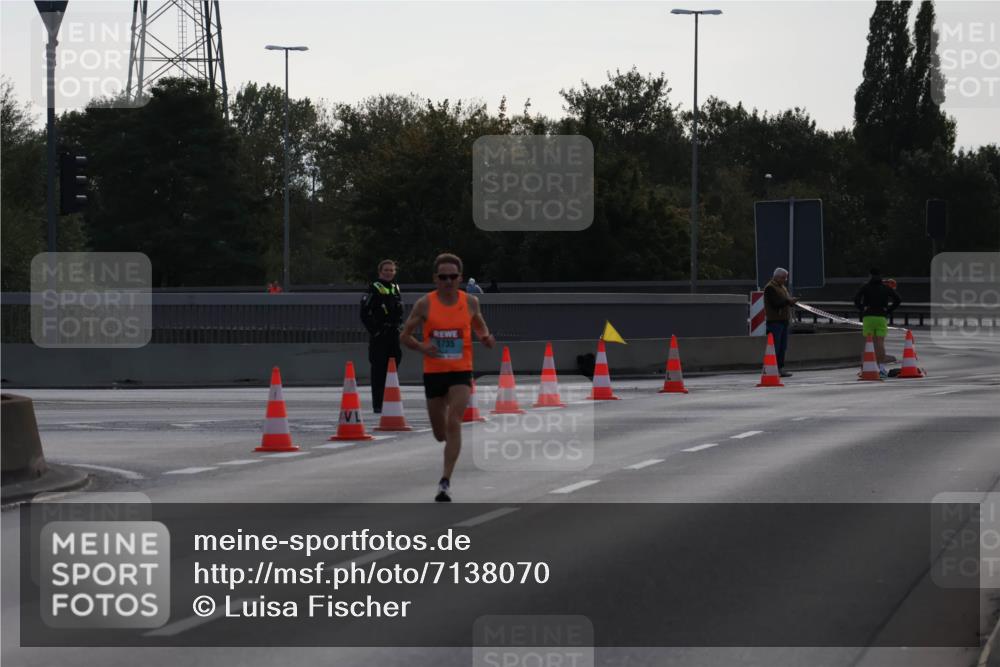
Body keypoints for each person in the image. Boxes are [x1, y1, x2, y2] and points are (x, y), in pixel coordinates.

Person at [400, 253, 496, 502]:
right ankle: (444, 440)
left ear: (460, 277)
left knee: (454, 421)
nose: (448, 281)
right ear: (435, 278)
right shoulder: (425, 304)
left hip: (461, 371)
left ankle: (445, 481)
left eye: (453, 276)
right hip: (434, 373)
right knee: (440, 434)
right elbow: (405, 336)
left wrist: (486, 337)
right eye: (443, 277)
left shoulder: (471, 302)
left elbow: (480, 326)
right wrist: (422, 347)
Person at [360, 259, 403, 413]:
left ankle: (391, 401)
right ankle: (378, 405)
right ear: (380, 272)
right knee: (378, 370)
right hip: (380, 336)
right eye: (386, 270)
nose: (389, 273)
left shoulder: (395, 288)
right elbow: (364, 313)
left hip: (393, 334)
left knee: (393, 368)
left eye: (391, 270)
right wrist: (375, 331)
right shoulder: (374, 288)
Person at [854, 268, 901, 378]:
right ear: (881, 276)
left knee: (868, 343)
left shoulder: (865, 286)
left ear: (870, 275)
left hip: (868, 317)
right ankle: (881, 368)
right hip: (881, 317)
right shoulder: (885, 288)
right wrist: (888, 310)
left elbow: (856, 299)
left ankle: (865, 368)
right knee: (880, 343)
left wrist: (862, 308)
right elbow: (898, 299)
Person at [763, 267, 798, 377]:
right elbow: (776, 303)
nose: (785, 280)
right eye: (783, 278)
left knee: (783, 347)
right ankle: (774, 369)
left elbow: (784, 301)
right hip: (775, 322)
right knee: (776, 347)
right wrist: (788, 301)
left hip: (783, 321)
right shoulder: (770, 288)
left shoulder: (782, 287)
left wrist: (791, 301)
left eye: (785, 278)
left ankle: (780, 368)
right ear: (776, 277)